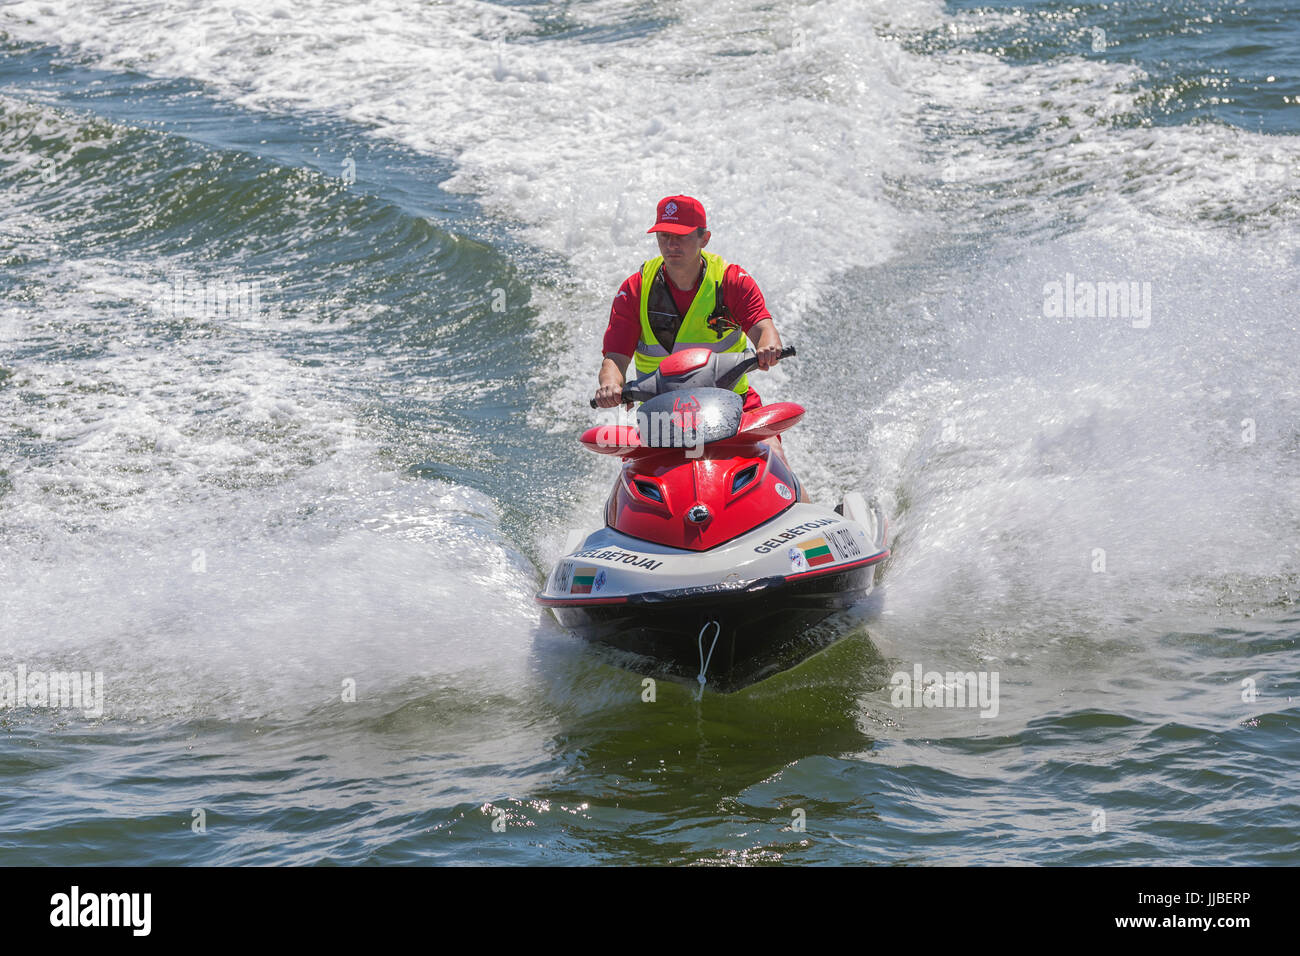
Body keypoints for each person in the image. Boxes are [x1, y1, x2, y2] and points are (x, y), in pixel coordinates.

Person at [593, 195, 784, 411]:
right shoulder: (634, 289)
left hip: (733, 403)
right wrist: (609, 384)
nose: (671, 244)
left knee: (772, 447)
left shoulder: (733, 281)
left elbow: (764, 329)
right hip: (661, 415)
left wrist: (767, 348)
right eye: (664, 236)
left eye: (681, 236)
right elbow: (615, 358)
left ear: (705, 239)